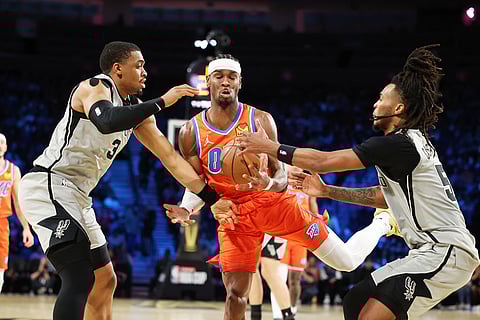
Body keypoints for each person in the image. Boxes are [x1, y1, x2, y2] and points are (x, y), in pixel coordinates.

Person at [236, 45, 480, 319]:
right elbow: (384, 196)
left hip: (447, 251)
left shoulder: (397, 145)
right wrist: (327, 191)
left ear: (398, 107)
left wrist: (271, 147)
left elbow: (321, 162)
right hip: (431, 251)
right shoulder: (410, 143)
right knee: (355, 301)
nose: (375, 104)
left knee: (370, 315)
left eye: (381, 99)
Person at [164, 54, 398, 320]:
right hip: (235, 215)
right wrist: (186, 208)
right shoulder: (190, 132)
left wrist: (267, 184)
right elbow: (196, 181)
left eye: (232, 77)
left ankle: (382, 223)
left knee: (345, 261)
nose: (226, 82)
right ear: (209, 82)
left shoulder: (260, 120)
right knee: (236, 293)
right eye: (219, 77)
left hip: (275, 205)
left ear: (240, 83)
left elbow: (282, 177)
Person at [18, 41, 224, 320]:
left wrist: (213, 199)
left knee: (105, 280)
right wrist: (163, 101)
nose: (145, 72)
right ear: (117, 69)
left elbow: (172, 161)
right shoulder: (95, 86)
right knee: (79, 277)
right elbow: (107, 121)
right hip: (49, 185)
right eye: (138, 66)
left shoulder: (138, 112)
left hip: (78, 196)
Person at [0, 133, 34, 293]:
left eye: (2, 142)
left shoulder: (13, 170)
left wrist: (26, 228)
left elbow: (18, 202)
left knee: (0, 270)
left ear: (6, 147)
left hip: (2, 223)